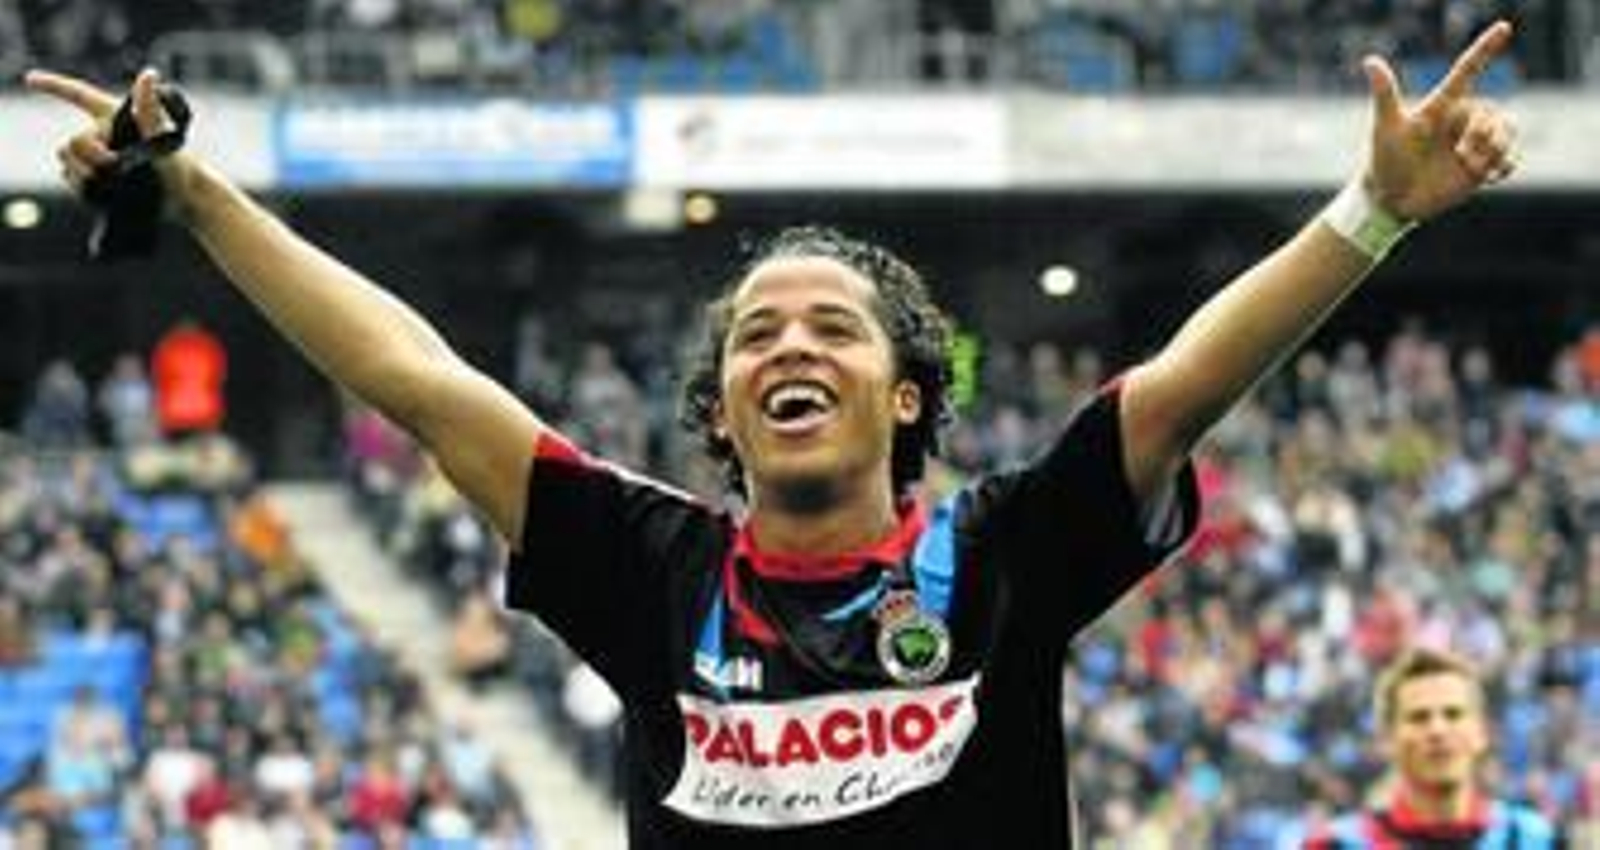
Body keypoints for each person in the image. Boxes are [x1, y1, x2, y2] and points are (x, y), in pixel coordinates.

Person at [26, 20, 1521, 848]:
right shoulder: (645, 567)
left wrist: (1374, 211)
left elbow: (1186, 382)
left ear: (907, 392)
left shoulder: (1008, 552)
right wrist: (198, 194)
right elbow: (415, 377)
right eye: (755, 334)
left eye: (832, 328)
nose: (789, 346)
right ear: (725, 409)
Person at [1303, 646, 1558, 848]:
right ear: (1387, 740)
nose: (1437, 730)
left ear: (1481, 733)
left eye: (1453, 714)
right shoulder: (1335, 845)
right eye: (1419, 717)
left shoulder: (1534, 840)